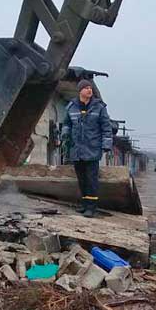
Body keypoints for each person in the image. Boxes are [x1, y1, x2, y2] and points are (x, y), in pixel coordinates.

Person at [61, 79, 113, 218]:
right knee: (81, 179)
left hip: (92, 149)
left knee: (91, 179)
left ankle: (91, 208)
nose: (90, 90)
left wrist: (106, 145)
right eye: (86, 88)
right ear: (80, 91)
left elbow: (106, 128)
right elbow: (66, 124)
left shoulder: (99, 107)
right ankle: (84, 205)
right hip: (77, 150)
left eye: (90, 88)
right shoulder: (71, 106)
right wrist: (65, 136)